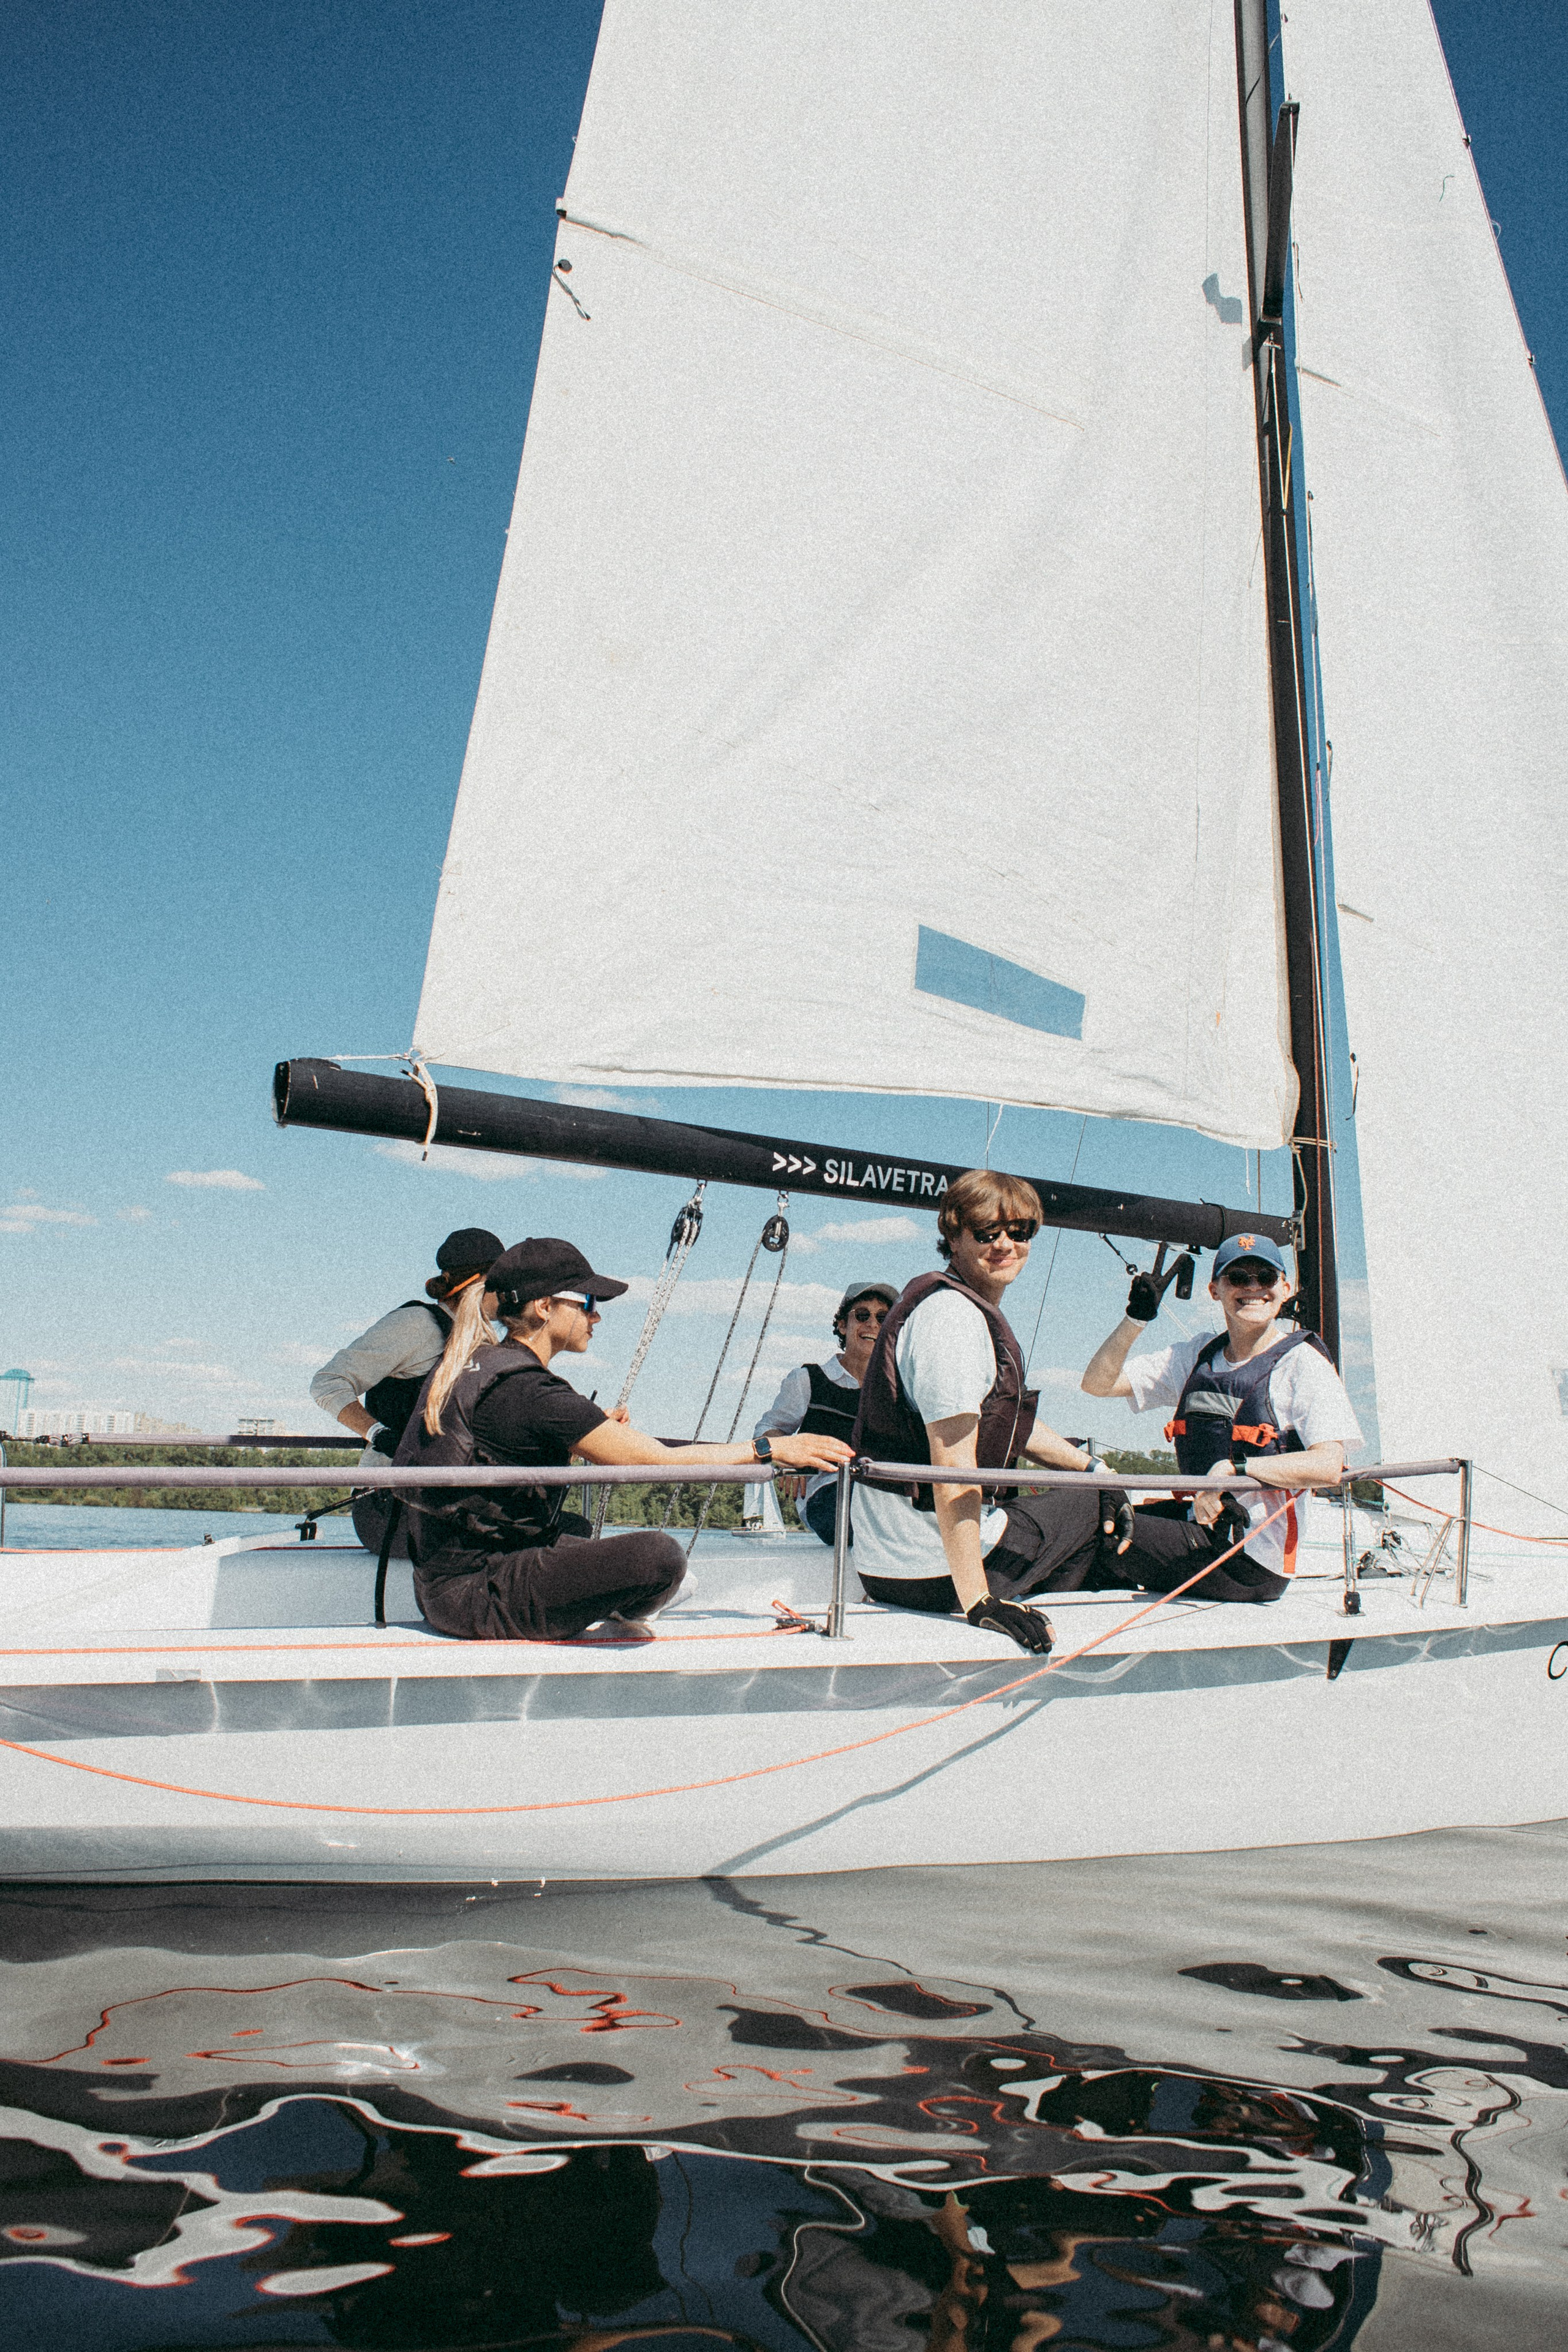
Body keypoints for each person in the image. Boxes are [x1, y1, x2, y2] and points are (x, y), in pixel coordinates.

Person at [395, 1236, 853, 1642]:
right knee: (659, 1559)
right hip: (481, 1595)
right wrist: (772, 1449)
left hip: (444, 1585)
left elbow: (506, 1447)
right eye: (588, 1301)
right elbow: (654, 1460)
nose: (596, 1316)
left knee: (575, 1529)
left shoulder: (484, 1366)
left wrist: (592, 1431)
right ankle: (617, 1602)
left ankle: (604, 1600)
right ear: (543, 1307)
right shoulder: (531, 1390)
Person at [850, 1170, 1136, 1653]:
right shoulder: (956, 1322)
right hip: (932, 1573)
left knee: (1095, 1491)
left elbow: (1012, 1428)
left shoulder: (949, 1307)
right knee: (1093, 1509)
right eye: (987, 1232)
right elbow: (954, 1472)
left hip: (888, 1566)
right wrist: (979, 1602)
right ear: (954, 1236)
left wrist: (1093, 1468)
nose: (1005, 1244)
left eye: (1019, 1232)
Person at [1079, 1230, 1362, 1602]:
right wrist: (1137, 1318)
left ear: (1286, 1287)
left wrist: (1233, 1471)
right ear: (1215, 1290)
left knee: (1085, 1527)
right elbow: (1098, 1383)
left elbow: (1328, 1465)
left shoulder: (1303, 1364)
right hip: (1199, 1528)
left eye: (1266, 1278)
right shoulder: (1198, 1355)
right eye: (1238, 1278)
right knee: (1091, 1508)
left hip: (1251, 1560)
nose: (1253, 1288)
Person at [311, 1227, 503, 1555]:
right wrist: (381, 1435)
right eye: (503, 1282)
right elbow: (328, 1383)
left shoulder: (482, 1342)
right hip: (389, 1507)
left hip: (448, 1503)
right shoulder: (417, 1325)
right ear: (480, 1284)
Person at [753, 1280, 899, 1544]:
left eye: (882, 1318)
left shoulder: (895, 1391)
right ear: (843, 1325)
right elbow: (766, 1431)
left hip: (883, 1494)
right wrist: (787, 1453)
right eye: (862, 1315)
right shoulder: (809, 1380)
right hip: (827, 1496)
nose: (873, 1325)